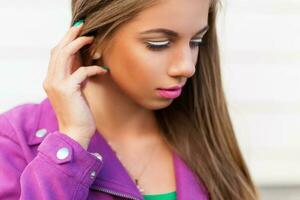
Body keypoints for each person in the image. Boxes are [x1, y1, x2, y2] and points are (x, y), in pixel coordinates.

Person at [0, 0, 259, 199]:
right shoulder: (15, 139)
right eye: (159, 43)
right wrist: (71, 144)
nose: (187, 67)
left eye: (196, 40)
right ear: (93, 40)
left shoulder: (205, 138)